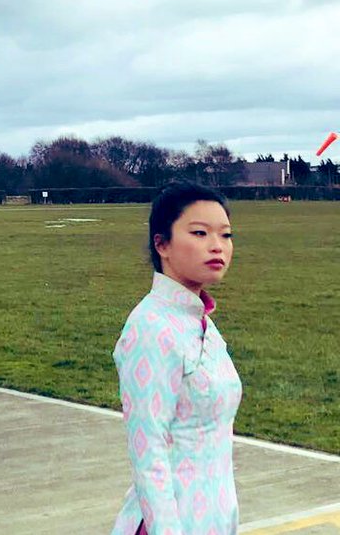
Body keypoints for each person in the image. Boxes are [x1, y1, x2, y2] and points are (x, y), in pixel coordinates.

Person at [111, 181, 242, 535]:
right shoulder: (151, 327)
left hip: (214, 518)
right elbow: (148, 452)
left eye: (226, 235)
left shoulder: (199, 322)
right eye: (199, 232)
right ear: (162, 244)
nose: (217, 246)